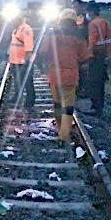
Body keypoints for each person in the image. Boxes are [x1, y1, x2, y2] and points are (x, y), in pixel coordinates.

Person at [38, 14, 90, 147]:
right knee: (68, 107)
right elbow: (85, 59)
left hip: (54, 75)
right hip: (70, 75)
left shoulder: (51, 35)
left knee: (57, 104)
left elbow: (42, 52)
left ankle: (59, 127)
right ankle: (63, 135)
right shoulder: (78, 38)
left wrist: (45, 66)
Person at [86, 2, 111, 116]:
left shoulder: (93, 24)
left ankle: (95, 106)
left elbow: (92, 41)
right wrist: (109, 55)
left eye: (88, 12)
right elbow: (109, 40)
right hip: (103, 54)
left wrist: (88, 56)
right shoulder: (105, 22)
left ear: (91, 11)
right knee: (101, 81)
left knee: (93, 80)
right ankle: (100, 106)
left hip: (96, 54)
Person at [8, 13, 36, 110]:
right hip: (15, 61)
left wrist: (27, 62)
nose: (11, 21)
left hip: (23, 61)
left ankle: (30, 100)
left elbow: (29, 47)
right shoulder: (17, 29)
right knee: (17, 81)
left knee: (27, 81)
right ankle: (17, 98)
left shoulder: (26, 29)